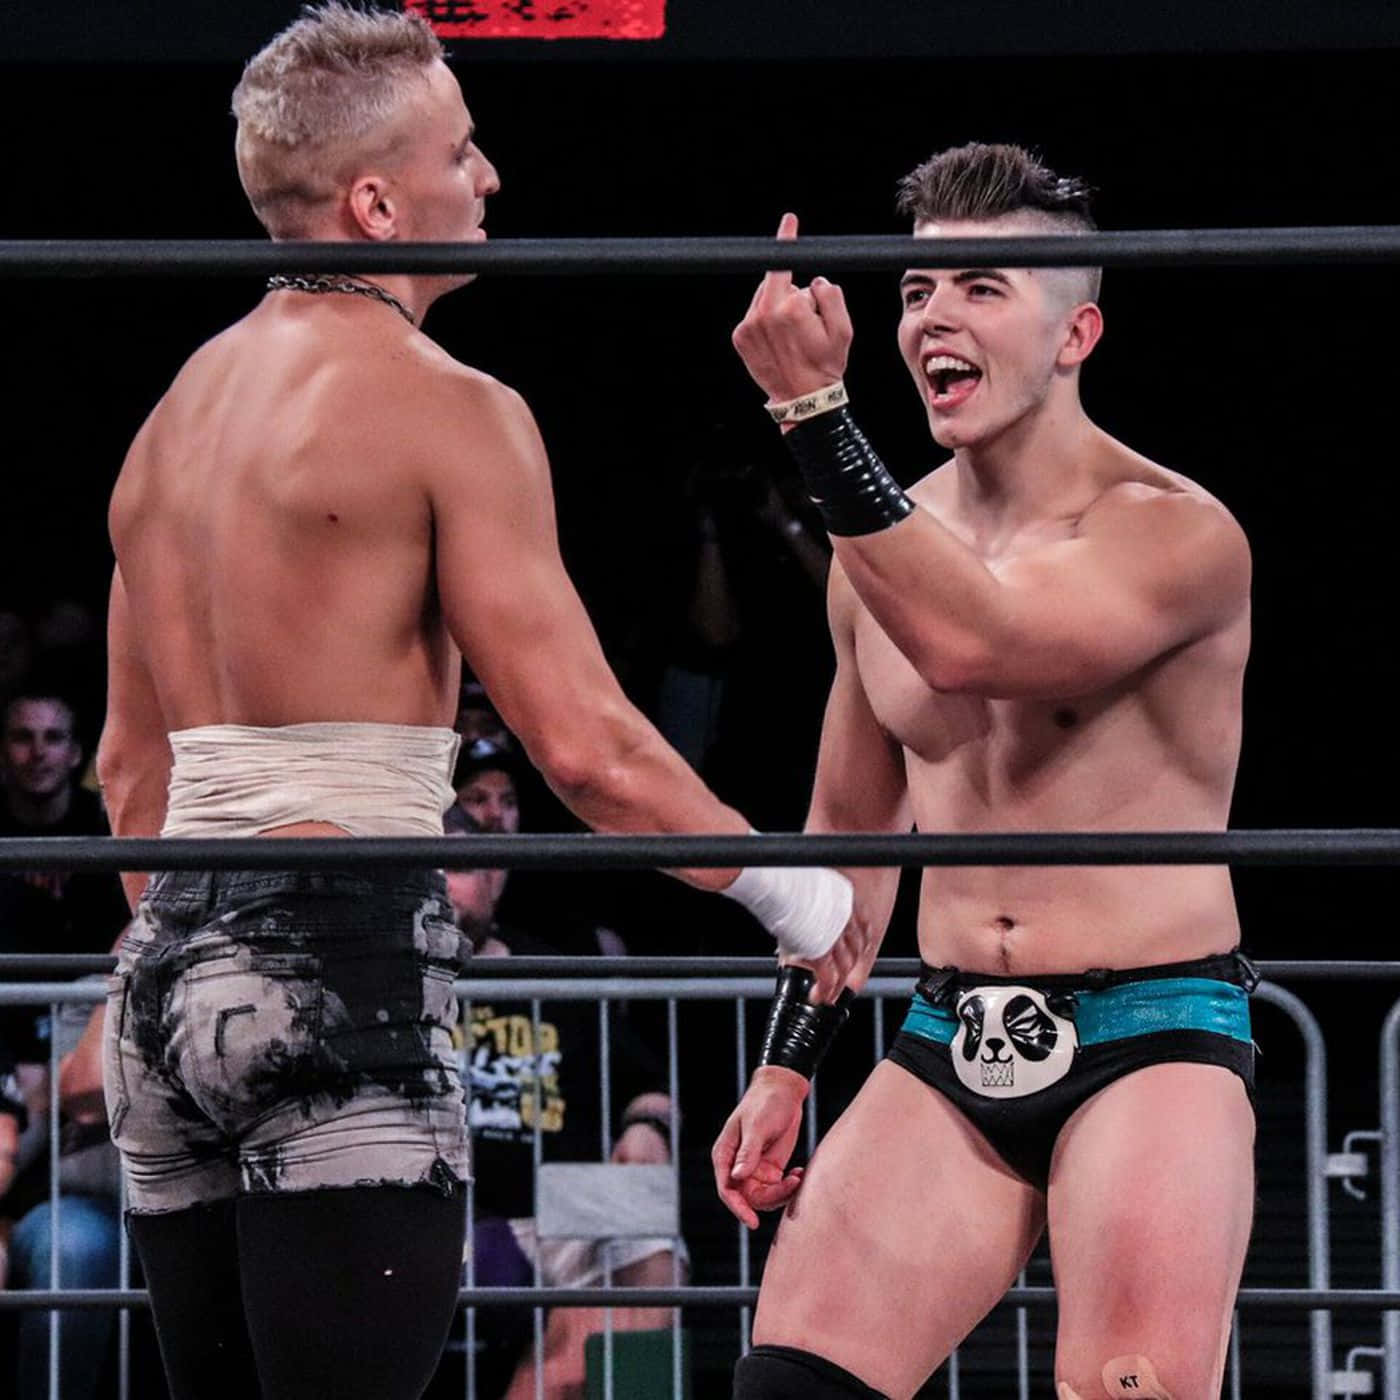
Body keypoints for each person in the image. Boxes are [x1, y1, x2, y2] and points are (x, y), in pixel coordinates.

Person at [96, 7, 863, 1400]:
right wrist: (793, 893)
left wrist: (206, 968)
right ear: (376, 205)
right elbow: (585, 746)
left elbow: (125, 773)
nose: (490, 174)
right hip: (339, 959)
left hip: (161, 989)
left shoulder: (171, 423)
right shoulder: (448, 404)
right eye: (461, 150)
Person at [712, 143, 1255, 1400]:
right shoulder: (876, 557)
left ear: (1075, 335)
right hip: (949, 1032)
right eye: (914, 291)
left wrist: (812, 414)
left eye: (979, 287)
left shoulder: (1173, 533)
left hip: (1149, 1035)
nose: (932, 318)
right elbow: (849, 833)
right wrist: (789, 1056)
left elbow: (978, 647)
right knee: (790, 1386)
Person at [433, 804, 682, 1400]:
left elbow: (646, 1085)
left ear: (494, 876)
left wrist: (648, 1129)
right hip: (431, 1205)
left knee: (646, 1223)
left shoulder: (552, 972)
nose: (439, 884)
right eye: (423, 869)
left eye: (456, 867)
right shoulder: (382, 983)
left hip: (552, 1200)